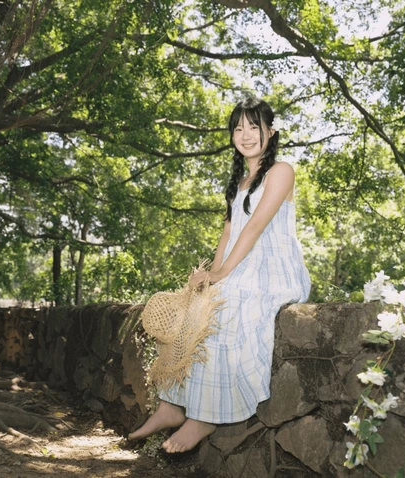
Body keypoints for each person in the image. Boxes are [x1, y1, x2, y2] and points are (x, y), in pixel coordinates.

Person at [128, 96, 311, 453]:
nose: (246, 135)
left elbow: (255, 226)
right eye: (238, 128)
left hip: (272, 269)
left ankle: (204, 417)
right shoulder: (239, 182)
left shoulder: (281, 171)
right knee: (196, 305)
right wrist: (211, 274)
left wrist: (224, 273)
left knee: (223, 307)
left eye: (254, 127)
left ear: (271, 132)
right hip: (240, 265)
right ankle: (170, 405)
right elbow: (228, 234)